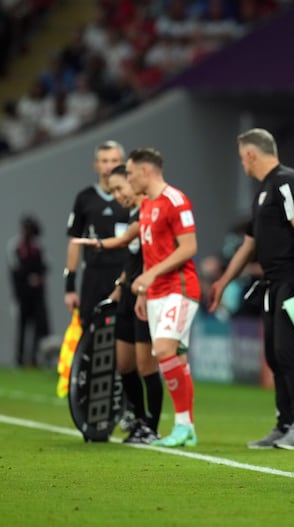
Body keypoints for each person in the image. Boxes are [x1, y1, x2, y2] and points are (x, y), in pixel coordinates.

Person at [208, 128, 294, 451]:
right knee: (274, 354)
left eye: (242, 156)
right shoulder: (265, 190)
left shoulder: (287, 182)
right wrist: (223, 281)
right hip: (274, 281)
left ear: (251, 155)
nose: (242, 163)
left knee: (290, 351)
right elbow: (249, 244)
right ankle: (284, 424)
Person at [72, 164, 163, 443]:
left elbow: (149, 254)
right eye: (112, 190)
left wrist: (98, 244)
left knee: (146, 366)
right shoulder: (137, 213)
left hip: (145, 296)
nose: (117, 195)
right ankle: (136, 419)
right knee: (124, 365)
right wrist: (118, 289)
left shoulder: (150, 211)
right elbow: (133, 260)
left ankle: (151, 426)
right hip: (127, 295)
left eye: (119, 188)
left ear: (132, 181)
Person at [126, 148, 201, 448]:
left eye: (130, 173)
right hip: (155, 292)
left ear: (146, 171)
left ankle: (183, 423)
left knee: (163, 350)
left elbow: (189, 247)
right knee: (177, 358)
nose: (128, 179)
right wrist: (144, 288)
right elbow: (149, 251)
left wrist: (150, 274)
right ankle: (187, 427)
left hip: (179, 288)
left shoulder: (175, 199)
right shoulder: (146, 205)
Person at [64, 140, 129, 328]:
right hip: (94, 274)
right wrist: (70, 287)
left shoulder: (132, 197)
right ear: (96, 165)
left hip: (124, 272)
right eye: (105, 161)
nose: (110, 166)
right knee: (91, 330)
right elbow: (75, 241)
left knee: (126, 333)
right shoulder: (85, 198)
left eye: (115, 160)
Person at [7, 215, 50, 367]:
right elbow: (14, 269)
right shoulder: (15, 246)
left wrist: (38, 279)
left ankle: (34, 358)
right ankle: (19, 359)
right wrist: (28, 279)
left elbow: (45, 267)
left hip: (36, 296)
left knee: (38, 327)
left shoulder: (38, 246)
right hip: (22, 295)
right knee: (22, 327)